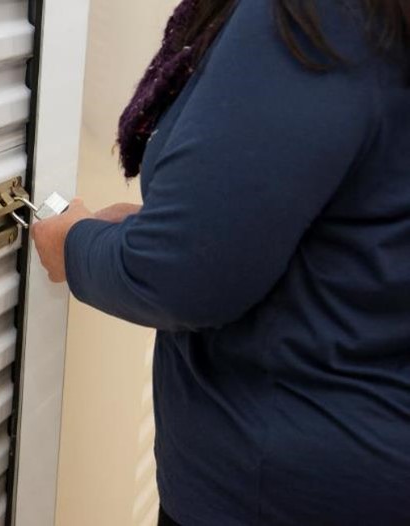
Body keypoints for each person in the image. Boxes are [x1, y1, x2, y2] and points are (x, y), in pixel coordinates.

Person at [31, 0, 410, 524]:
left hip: (281, 493)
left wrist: (73, 247)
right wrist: (183, 221)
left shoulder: (318, 16)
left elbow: (177, 277)